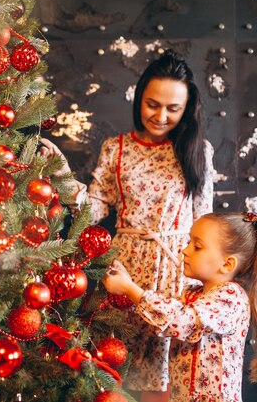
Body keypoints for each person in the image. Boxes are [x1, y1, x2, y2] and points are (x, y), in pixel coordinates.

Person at [41, 50, 214, 401]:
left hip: (177, 274)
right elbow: (94, 208)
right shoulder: (116, 148)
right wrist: (63, 179)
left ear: (186, 109)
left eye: (172, 108)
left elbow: (205, 221)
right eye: (153, 104)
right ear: (139, 99)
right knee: (120, 371)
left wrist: (206, 286)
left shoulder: (198, 150)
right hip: (125, 270)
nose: (161, 116)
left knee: (169, 380)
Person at [102, 212, 257, 402]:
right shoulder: (192, 294)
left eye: (197, 247)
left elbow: (180, 322)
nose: (185, 250)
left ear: (227, 264)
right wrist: (124, 297)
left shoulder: (230, 298)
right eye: (188, 243)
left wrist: (131, 289)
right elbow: (159, 326)